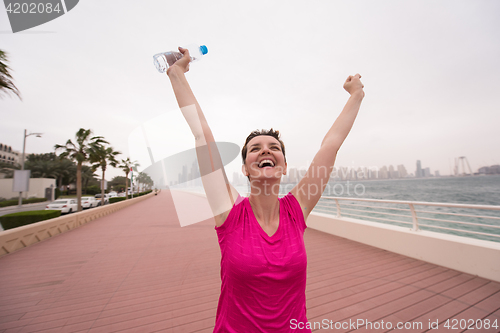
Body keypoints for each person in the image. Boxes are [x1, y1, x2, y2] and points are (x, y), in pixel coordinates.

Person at [166, 47, 364, 332]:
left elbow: (330, 144)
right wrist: (177, 74)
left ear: (283, 165)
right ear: (245, 168)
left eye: (273, 148)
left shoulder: (297, 210)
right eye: (254, 149)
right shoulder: (229, 213)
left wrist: (356, 94)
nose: (265, 151)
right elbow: (202, 135)